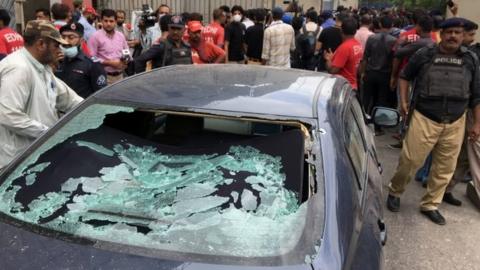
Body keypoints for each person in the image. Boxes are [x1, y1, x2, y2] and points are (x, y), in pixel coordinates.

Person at [386, 18, 480, 225]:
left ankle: (431, 204)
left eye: (458, 32)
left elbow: (476, 95)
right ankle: (395, 191)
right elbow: (405, 76)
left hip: (456, 120)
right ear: (442, 34)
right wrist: (403, 102)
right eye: (449, 32)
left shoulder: (470, 59)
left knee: (445, 167)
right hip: (425, 116)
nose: (453, 36)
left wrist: (476, 123)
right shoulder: (425, 54)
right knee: (410, 161)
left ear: (463, 36)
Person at [0, 20, 82, 169]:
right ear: (41, 44)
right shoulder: (19, 68)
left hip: (35, 155)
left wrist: (94, 111)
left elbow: (70, 99)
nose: (60, 51)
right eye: (56, 45)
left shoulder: (41, 68)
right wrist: (48, 133)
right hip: (15, 163)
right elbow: (7, 115)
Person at [360, 15, 397, 135]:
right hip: (385, 74)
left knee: (366, 98)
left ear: (380, 25)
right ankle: (377, 127)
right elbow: (394, 60)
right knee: (381, 100)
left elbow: (365, 57)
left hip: (371, 72)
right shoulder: (393, 41)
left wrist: (363, 72)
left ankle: (361, 122)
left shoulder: (372, 38)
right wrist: (393, 76)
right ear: (391, 26)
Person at [55, 23, 107, 98]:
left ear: (81, 40)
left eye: (71, 37)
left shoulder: (91, 64)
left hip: (81, 107)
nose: (66, 41)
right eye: (63, 37)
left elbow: (101, 93)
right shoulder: (56, 61)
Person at [88, 9, 129, 85]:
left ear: (115, 22)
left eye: (111, 21)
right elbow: (91, 58)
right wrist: (109, 63)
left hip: (120, 76)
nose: (108, 24)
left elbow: (126, 52)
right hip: (104, 77)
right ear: (101, 21)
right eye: (106, 21)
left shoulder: (121, 36)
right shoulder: (95, 37)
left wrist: (126, 60)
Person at [324, 18, 363, 90]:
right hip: (352, 85)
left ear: (341, 30)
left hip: (343, 88)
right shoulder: (358, 45)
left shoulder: (345, 47)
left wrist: (328, 59)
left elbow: (333, 70)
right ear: (355, 32)